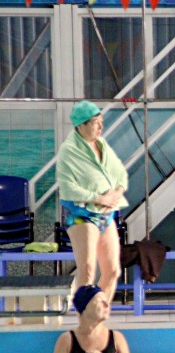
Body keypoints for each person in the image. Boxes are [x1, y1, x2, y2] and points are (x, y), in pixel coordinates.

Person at [56, 100, 128, 303]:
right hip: (81, 215)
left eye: (101, 121)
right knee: (87, 270)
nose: (101, 126)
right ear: (81, 125)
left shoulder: (102, 145)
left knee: (113, 271)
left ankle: (98, 312)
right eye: (96, 122)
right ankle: (83, 315)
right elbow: (68, 189)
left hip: (106, 215)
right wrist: (100, 198)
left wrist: (117, 192)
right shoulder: (69, 150)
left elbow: (120, 174)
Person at [50, 285, 133, 353]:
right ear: (84, 309)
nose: (107, 305)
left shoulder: (116, 338)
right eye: (100, 301)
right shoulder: (66, 340)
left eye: (106, 300)